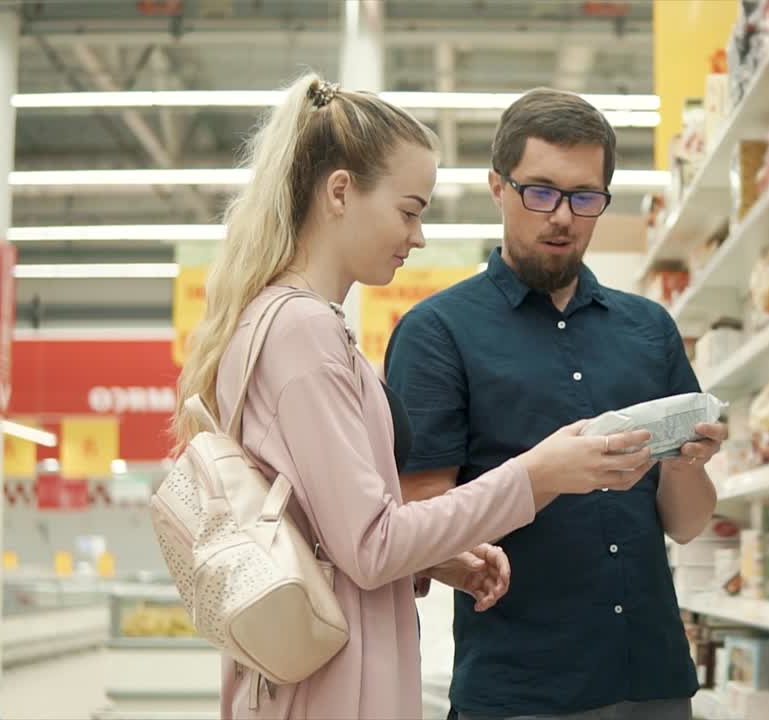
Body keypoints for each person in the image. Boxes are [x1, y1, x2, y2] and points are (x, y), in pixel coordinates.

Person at [170, 75, 655, 720]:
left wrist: (439, 557)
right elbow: (372, 545)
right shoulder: (302, 331)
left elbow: (336, 532)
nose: (419, 235)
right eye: (409, 210)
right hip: (336, 689)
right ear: (340, 192)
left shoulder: (286, 322)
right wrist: (537, 476)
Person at [385, 88, 729, 720]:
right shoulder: (437, 333)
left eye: (584, 197)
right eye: (539, 192)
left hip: (652, 678)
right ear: (498, 186)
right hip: (523, 691)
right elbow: (418, 522)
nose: (562, 216)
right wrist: (542, 481)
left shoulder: (649, 329)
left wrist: (685, 466)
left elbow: (686, 523)